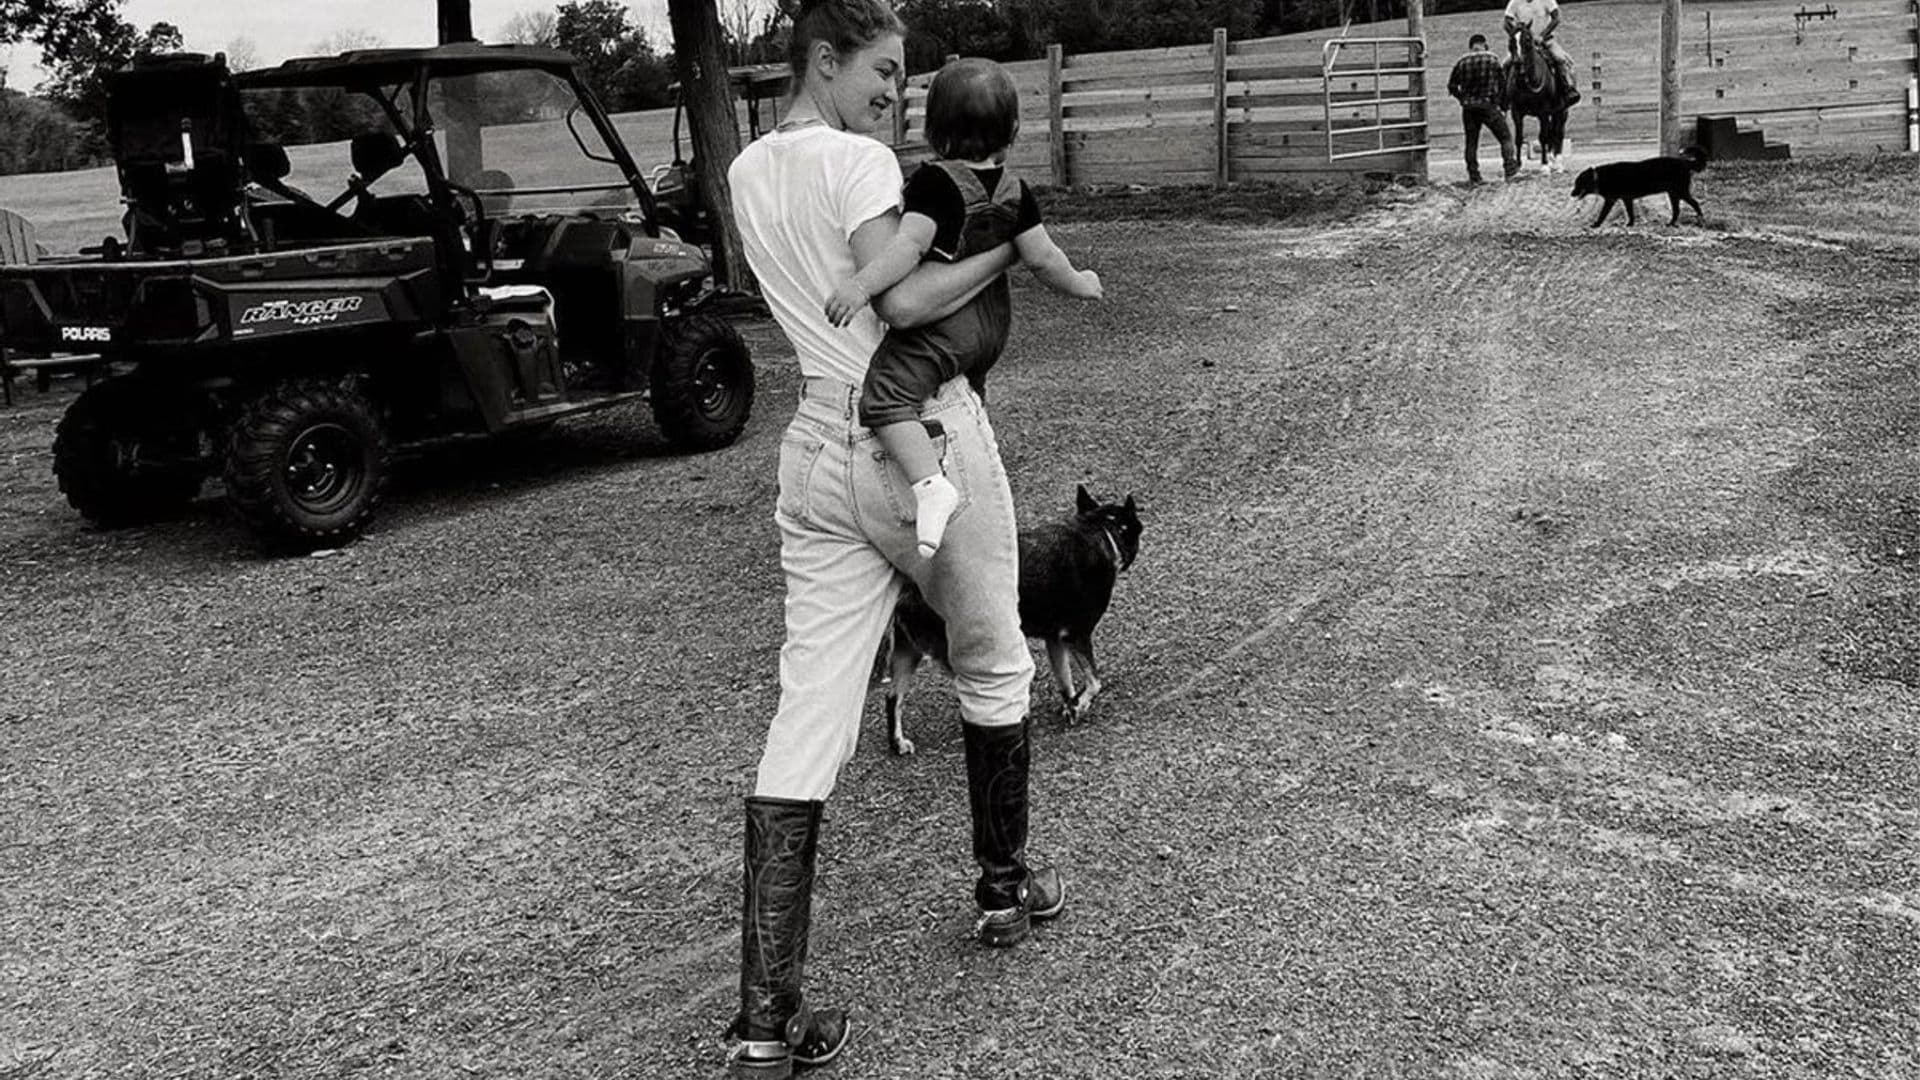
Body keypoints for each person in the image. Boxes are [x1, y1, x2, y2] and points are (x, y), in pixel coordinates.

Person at [722, 1, 1065, 1075]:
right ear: (823, 58)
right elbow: (910, 305)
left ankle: (765, 1020)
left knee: (809, 706)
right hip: (919, 431)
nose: (895, 93)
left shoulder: (746, 170)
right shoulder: (861, 164)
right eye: (881, 68)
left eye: (902, 75)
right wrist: (1008, 245)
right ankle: (1003, 890)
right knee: (993, 653)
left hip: (816, 448)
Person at [821, 57, 1103, 558]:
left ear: (933, 130)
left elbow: (906, 249)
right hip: (992, 329)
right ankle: (968, 459)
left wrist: (860, 287)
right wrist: (1081, 283)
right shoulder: (1018, 192)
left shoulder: (934, 184)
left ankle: (930, 484)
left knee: (885, 399)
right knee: (963, 396)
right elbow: (1042, 258)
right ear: (1013, 129)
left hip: (945, 328)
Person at [1448, 34, 1519, 184]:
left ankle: (1474, 176)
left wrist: (1463, 99)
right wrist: (1503, 106)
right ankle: (1510, 170)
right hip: (1488, 105)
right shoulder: (1492, 59)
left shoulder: (1462, 61)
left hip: (1469, 108)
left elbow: (1452, 86)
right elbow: (1503, 85)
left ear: (1471, 46)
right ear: (1485, 44)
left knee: (1471, 142)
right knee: (1505, 138)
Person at [1504, 0, 1581, 105]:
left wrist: (1542, 35)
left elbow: (1556, 18)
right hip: (1524, 44)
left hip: (1546, 41)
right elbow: (1506, 22)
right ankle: (1502, 95)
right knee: (1506, 63)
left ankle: (1567, 89)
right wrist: (1516, 36)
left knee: (1560, 59)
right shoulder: (1515, 2)